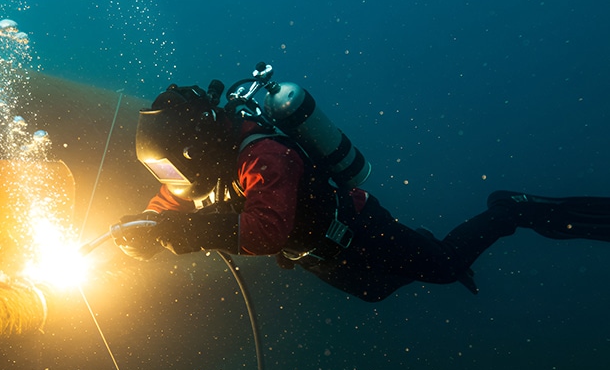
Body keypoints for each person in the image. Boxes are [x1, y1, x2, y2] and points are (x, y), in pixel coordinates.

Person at [114, 81, 610, 302]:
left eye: (173, 166)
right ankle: (427, 248)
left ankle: (508, 210)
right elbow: (172, 201)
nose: (172, 176)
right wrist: (146, 227)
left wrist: (180, 233)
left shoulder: (262, 156)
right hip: (315, 250)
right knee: (375, 291)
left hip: (354, 225)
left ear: (195, 142)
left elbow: (264, 231)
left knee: (441, 268)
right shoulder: (197, 167)